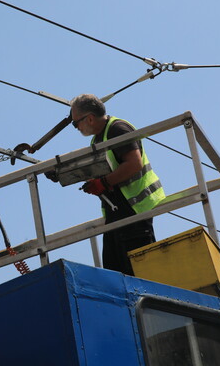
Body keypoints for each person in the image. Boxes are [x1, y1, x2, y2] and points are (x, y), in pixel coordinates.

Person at [69, 94, 165, 275]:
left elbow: (134, 164)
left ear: (89, 118)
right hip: (117, 212)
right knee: (115, 269)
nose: (76, 128)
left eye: (75, 123)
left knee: (139, 270)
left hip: (134, 209)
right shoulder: (98, 138)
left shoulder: (117, 129)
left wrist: (103, 183)